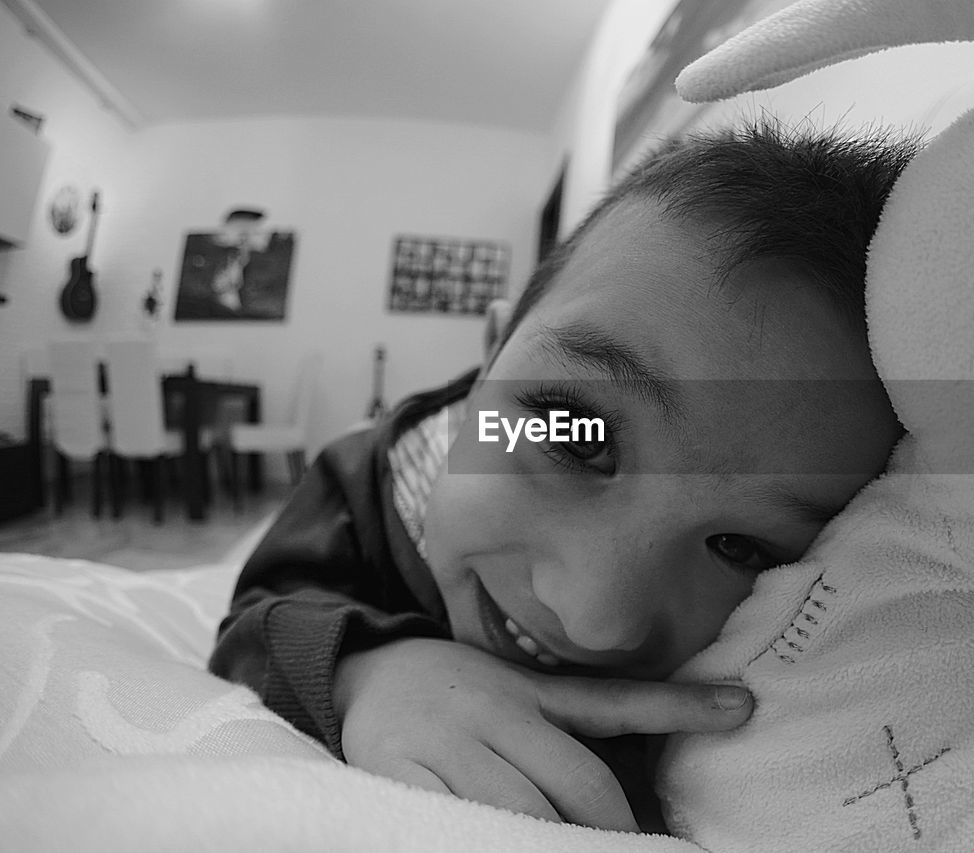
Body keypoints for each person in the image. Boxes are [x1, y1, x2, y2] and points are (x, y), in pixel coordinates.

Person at [208, 120, 913, 833]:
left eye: (740, 547)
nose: (594, 619)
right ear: (490, 356)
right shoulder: (364, 478)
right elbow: (253, 619)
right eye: (577, 439)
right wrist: (366, 672)